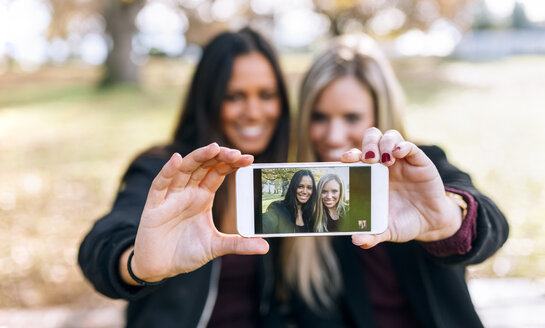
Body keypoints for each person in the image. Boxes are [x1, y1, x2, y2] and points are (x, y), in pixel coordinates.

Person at [280, 34, 509, 327]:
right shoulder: (302, 193)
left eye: (351, 117)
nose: (334, 136)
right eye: (319, 117)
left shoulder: (420, 168)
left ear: (380, 113)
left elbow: (494, 225)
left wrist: (447, 221)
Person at [78, 27, 291, 327]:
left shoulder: (289, 176)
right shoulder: (168, 172)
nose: (254, 112)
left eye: (267, 95)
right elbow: (99, 244)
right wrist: (135, 264)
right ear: (209, 99)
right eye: (234, 96)